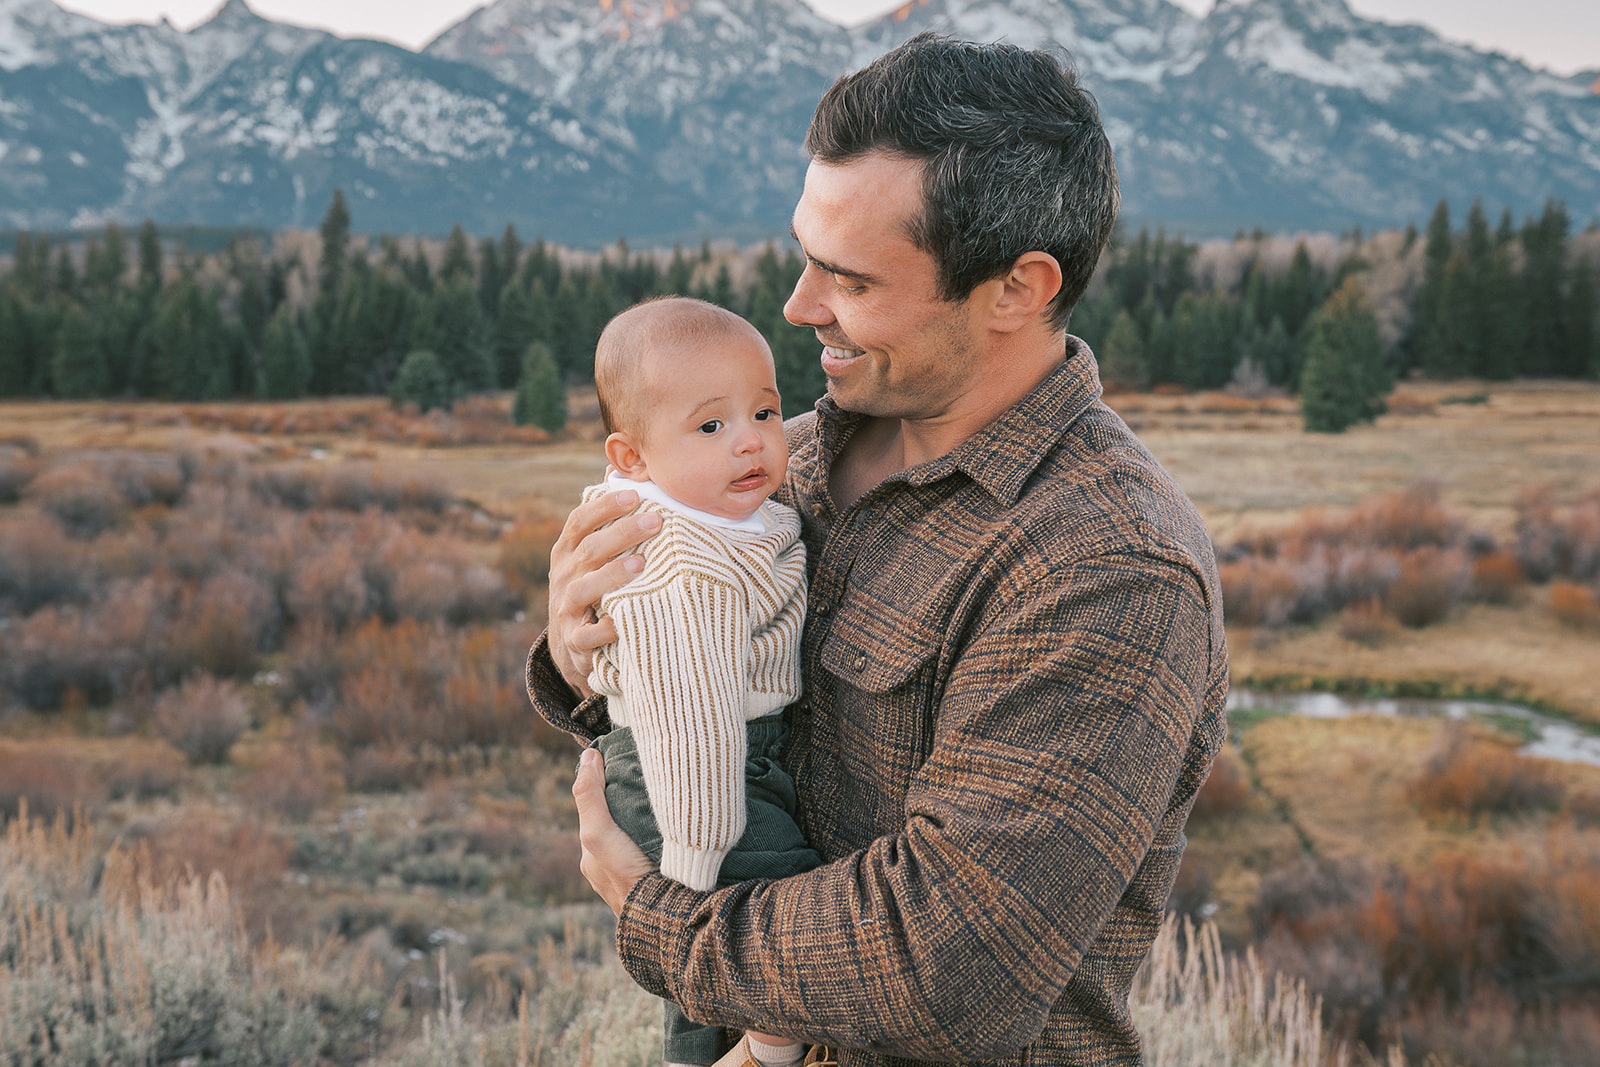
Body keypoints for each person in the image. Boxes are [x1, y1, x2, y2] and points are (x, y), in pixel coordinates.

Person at [527, 32, 1229, 1067]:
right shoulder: (790, 460)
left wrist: (655, 920)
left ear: (1015, 289)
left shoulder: (1108, 569)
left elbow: (939, 969)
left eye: (847, 278)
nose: (798, 305)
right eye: (805, 253)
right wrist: (581, 643)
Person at [582, 297, 823, 1067]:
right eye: (711, 425)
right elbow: (692, 719)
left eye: (764, 410)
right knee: (791, 908)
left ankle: (707, 1045)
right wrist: (687, 873)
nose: (750, 441)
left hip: (714, 761)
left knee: (722, 946)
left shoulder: (721, 513)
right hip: (691, 779)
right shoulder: (685, 562)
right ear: (632, 458)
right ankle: (772, 1041)